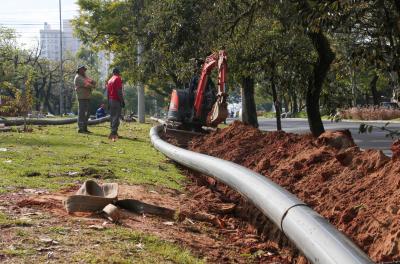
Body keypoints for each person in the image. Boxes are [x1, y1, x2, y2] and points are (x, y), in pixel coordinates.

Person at [74, 65, 96, 133]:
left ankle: (85, 127)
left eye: (84, 70)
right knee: (82, 113)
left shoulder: (84, 77)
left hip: (87, 97)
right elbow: (87, 84)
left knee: (87, 113)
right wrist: (92, 85)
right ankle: (80, 128)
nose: (84, 71)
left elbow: (92, 81)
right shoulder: (78, 77)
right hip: (82, 97)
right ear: (79, 70)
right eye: (83, 69)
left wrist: (92, 82)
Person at [106, 67, 125, 140]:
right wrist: (122, 101)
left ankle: (113, 131)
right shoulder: (118, 78)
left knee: (112, 116)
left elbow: (107, 92)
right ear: (118, 72)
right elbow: (119, 91)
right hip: (116, 100)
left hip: (110, 100)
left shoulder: (110, 80)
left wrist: (108, 102)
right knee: (116, 117)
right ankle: (113, 133)